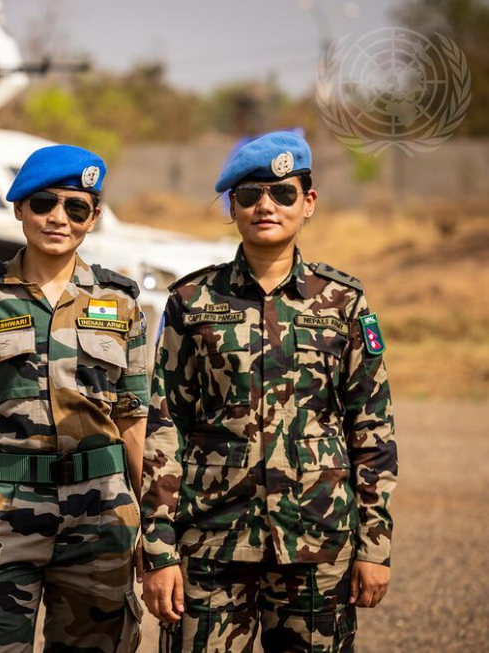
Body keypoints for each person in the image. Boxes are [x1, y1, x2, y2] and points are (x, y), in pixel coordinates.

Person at [140, 131, 397, 653]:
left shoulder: (343, 301)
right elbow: (164, 428)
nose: (266, 206)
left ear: (309, 202)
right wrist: (160, 550)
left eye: (282, 193)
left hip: (318, 544)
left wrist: (374, 544)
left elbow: (372, 429)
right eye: (250, 193)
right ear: (231, 204)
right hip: (211, 545)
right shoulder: (191, 301)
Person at [0, 144, 148, 653]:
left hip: (102, 515)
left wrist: (152, 525)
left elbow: (135, 419)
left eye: (76, 207)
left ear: (93, 218)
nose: (58, 218)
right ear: (19, 208)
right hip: (2, 511)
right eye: (44, 203)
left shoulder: (120, 300)